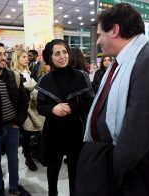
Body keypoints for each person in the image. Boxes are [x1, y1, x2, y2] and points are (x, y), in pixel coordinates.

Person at [78, 3, 149, 196]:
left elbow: (139, 132)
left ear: (115, 30)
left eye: (101, 34)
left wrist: (111, 173)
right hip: (128, 170)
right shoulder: (123, 62)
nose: (98, 41)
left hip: (144, 175)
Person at [36, 39, 95, 196]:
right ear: (50, 58)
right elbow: (40, 108)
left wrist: (72, 108)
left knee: (75, 169)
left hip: (75, 130)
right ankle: (52, 192)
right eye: (57, 53)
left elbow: (90, 102)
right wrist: (53, 108)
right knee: (53, 167)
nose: (62, 56)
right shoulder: (44, 80)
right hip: (53, 131)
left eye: (64, 52)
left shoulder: (81, 76)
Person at [0, 41, 31, 196]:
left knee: (14, 159)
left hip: (13, 126)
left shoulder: (13, 76)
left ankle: (14, 187)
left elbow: (24, 101)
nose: (3, 58)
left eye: (4, 54)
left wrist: (19, 121)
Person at [10, 48, 41, 172]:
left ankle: (30, 154)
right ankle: (28, 157)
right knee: (26, 134)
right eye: (23, 57)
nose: (26, 59)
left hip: (31, 106)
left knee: (30, 133)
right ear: (16, 59)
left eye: (27, 57)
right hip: (21, 109)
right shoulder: (14, 73)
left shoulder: (27, 72)